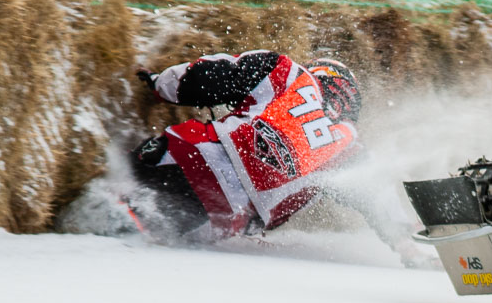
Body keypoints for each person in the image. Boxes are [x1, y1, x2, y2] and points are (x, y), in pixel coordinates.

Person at [131, 50, 361, 239]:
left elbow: (210, 76)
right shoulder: (349, 148)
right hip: (231, 219)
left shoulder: (290, 72)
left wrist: (159, 83)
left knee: (130, 175)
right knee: (163, 230)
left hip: (200, 157)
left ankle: (113, 200)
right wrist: (399, 239)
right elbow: (383, 205)